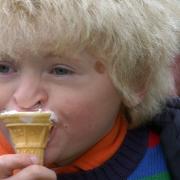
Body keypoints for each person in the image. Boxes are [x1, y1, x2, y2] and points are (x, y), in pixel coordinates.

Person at [0, 0, 179, 179]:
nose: (24, 98)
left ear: (135, 82)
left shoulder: (168, 156)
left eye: (60, 71)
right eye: (3, 68)